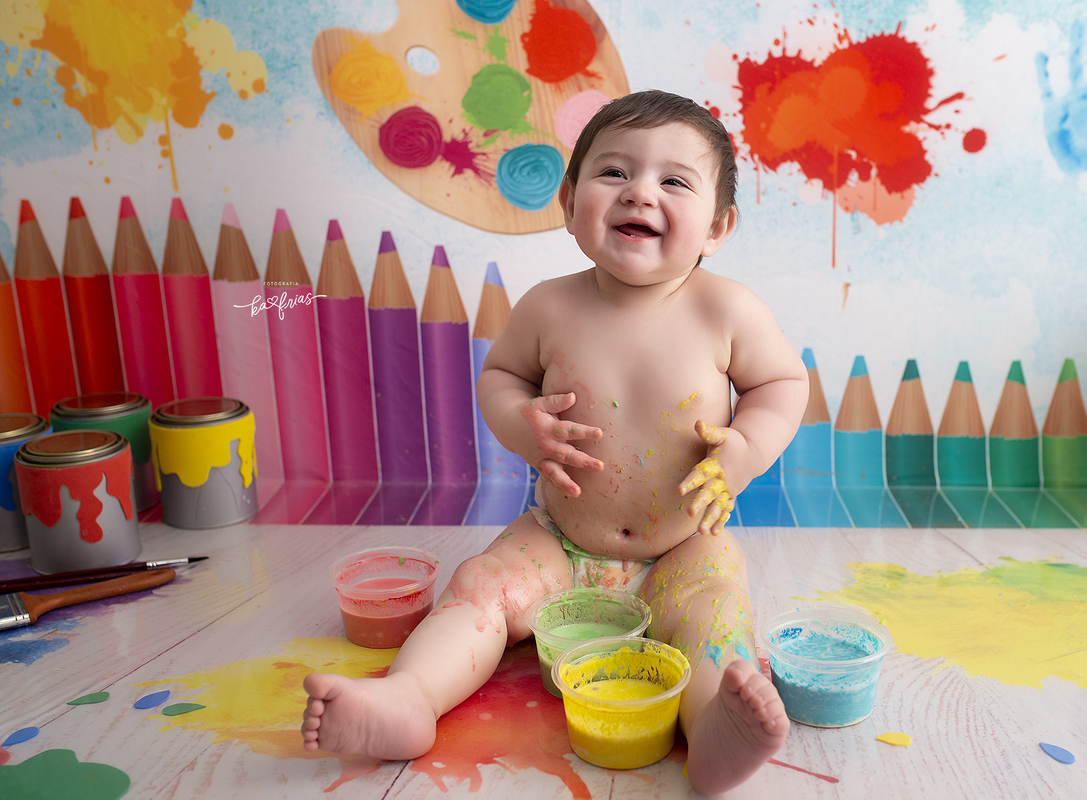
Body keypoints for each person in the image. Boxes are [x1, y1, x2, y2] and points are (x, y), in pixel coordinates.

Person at [302, 89, 810, 794]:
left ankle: (712, 728)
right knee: (480, 589)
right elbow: (500, 378)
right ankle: (408, 699)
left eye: (673, 180)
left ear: (718, 225)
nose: (640, 192)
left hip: (683, 543)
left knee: (712, 613)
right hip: (561, 541)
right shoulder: (549, 305)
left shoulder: (727, 310)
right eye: (614, 173)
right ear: (569, 203)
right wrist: (523, 423)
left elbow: (783, 387)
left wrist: (743, 452)